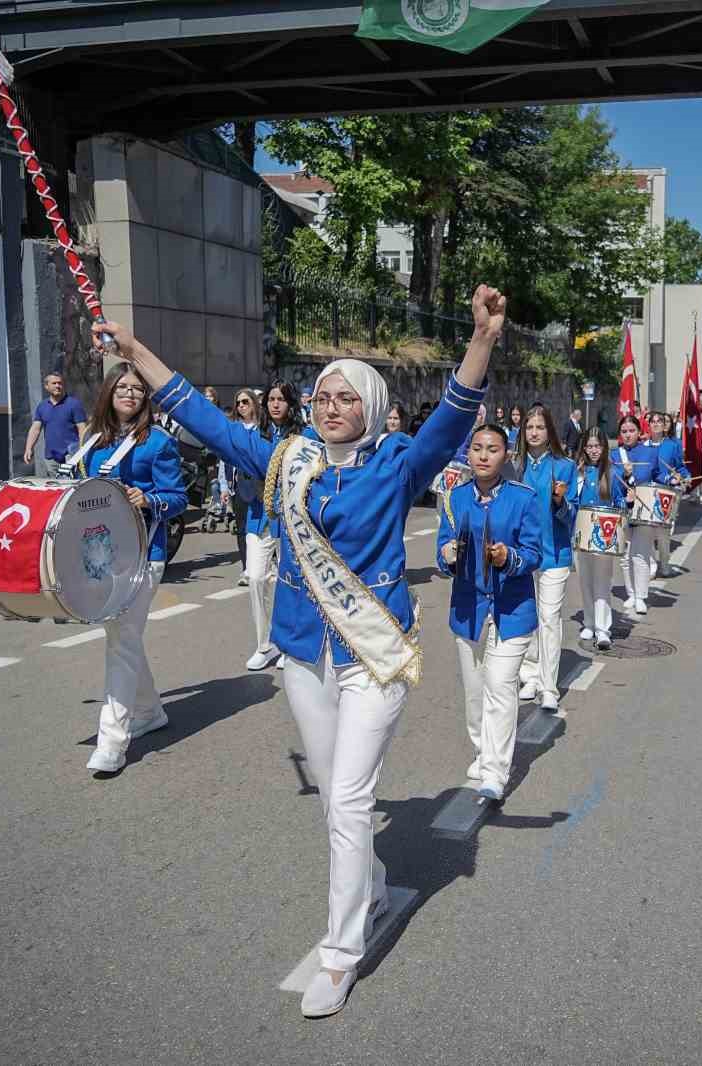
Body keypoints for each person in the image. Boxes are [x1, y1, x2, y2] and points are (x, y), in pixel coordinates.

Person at [97, 283, 505, 1020]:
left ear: (374, 409)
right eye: (323, 394)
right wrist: (137, 355)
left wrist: (481, 339)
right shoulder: (286, 459)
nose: (330, 404)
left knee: (348, 798)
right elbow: (201, 416)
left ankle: (341, 952)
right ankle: (373, 882)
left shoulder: (399, 463)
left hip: (372, 657)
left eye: (347, 397)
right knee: (333, 798)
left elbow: (453, 416)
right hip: (300, 653)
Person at [73, 363, 188, 774]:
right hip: (102, 554)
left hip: (144, 554)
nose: (130, 394)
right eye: (122, 387)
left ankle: (112, 742)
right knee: (123, 637)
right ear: (109, 392)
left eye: (138, 389)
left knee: (120, 640)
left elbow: (177, 498)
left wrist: (148, 499)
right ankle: (150, 711)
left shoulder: (157, 443)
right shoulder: (93, 441)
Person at [437, 422, 544, 801]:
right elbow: (442, 547)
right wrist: (447, 555)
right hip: (468, 608)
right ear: (468, 453)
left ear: (506, 455)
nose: (484, 455)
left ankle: (496, 772)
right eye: (477, 448)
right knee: (475, 691)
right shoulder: (454, 497)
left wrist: (507, 557)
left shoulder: (524, 498)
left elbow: (534, 554)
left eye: (493, 449)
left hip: (512, 609)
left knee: (500, 685)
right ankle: (483, 751)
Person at [516, 405, 575, 714]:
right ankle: (530, 674)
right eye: (529, 427)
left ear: (549, 431)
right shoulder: (516, 465)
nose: (534, 432)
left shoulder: (564, 466)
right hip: (523, 556)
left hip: (555, 554)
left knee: (549, 619)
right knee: (528, 619)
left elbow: (573, 515)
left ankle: (549, 687)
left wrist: (560, 501)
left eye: (540, 427)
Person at [242, 381, 303, 671]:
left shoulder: (303, 436)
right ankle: (264, 645)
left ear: (291, 404)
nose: (275, 404)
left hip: (290, 519)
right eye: (271, 399)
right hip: (258, 517)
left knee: (287, 582)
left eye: (281, 399)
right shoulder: (256, 435)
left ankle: (287, 644)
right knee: (255, 578)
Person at [614, 414, 682, 617]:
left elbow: (658, 475)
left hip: (644, 507)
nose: (628, 435)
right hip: (622, 507)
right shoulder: (615, 455)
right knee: (625, 556)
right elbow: (610, 480)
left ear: (638, 431)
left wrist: (672, 479)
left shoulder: (650, 452)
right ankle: (631, 593)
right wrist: (624, 476)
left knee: (641, 553)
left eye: (632, 431)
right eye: (624, 431)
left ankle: (641, 597)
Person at [571, 427, 627, 650]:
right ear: (584, 448)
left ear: (604, 448)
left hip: (605, 534)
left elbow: (620, 502)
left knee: (602, 582)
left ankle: (604, 629)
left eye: (598, 446)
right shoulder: (578, 473)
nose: (594, 451)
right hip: (581, 533)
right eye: (590, 446)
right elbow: (572, 503)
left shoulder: (612, 473)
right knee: (585, 580)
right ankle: (590, 622)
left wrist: (627, 502)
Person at [651, 412, 691, 578]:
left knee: (663, 533)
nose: (656, 424)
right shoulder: (642, 445)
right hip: (648, 491)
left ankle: (665, 566)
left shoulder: (672, 445)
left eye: (659, 421)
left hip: (666, 493)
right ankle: (652, 567)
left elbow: (680, 467)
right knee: (647, 533)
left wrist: (685, 476)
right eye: (652, 421)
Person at [23, 371, 86, 474]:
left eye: (60, 383)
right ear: (46, 386)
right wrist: (28, 448)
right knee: (55, 487)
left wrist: (82, 451)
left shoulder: (74, 404)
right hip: (51, 457)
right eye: (54, 383)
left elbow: (82, 429)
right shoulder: (42, 406)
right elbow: (35, 429)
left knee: (71, 486)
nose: (58, 386)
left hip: (71, 455)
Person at [228, 389, 262, 578]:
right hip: (238, 485)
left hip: (260, 485)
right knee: (241, 528)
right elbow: (224, 460)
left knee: (260, 527)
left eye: (245, 402)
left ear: (254, 404)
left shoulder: (262, 428)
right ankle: (246, 567)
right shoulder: (234, 428)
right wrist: (225, 486)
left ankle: (263, 563)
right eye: (238, 403)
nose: (241, 406)